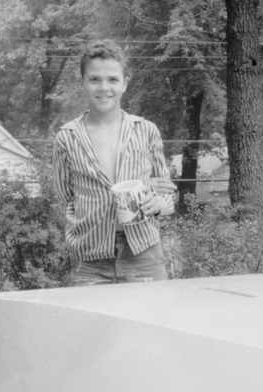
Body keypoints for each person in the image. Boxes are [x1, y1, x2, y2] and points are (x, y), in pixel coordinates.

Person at [53, 39, 176, 284]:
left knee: (148, 321)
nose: (104, 88)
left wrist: (159, 204)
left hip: (144, 254)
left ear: (125, 84)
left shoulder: (146, 131)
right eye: (94, 79)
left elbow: (167, 192)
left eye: (112, 79)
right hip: (89, 260)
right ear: (83, 84)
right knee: (92, 324)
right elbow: (65, 197)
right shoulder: (66, 137)